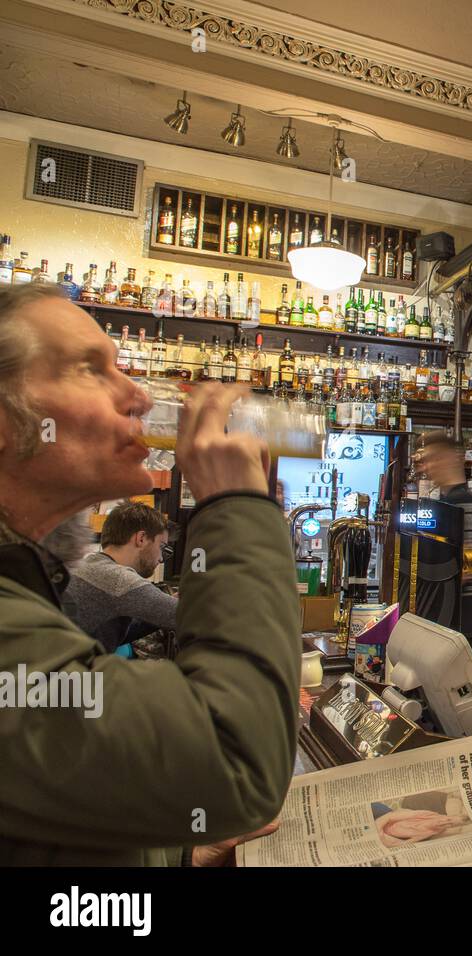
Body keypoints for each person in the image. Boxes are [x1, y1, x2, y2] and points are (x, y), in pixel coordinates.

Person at [0, 283, 301, 865]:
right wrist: (235, 509)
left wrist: (175, 854)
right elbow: (236, 764)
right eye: (91, 369)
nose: (138, 395)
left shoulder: (30, 582)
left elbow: (58, 826)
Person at [411, 429, 472, 661]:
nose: (425, 467)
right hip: (455, 616)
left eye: (430, 459)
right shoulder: (449, 501)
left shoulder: (462, 504)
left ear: (449, 458)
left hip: (465, 618)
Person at [65, 502, 179, 653]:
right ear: (142, 538)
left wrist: (159, 614)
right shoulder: (119, 578)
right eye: (162, 547)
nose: (160, 558)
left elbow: (112, 635)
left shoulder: (89, 565)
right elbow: (185, 615)